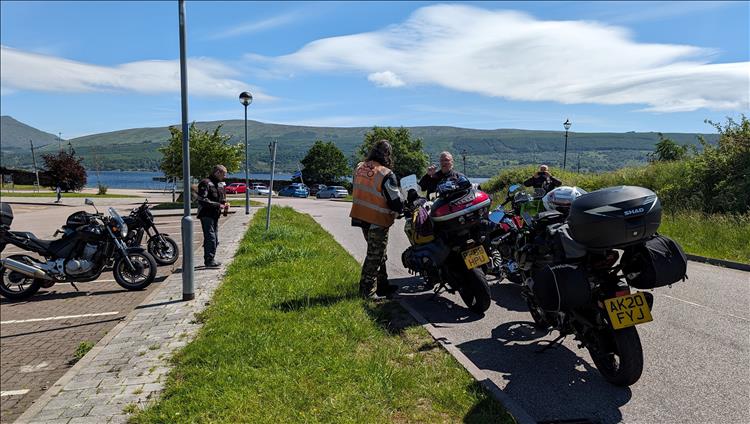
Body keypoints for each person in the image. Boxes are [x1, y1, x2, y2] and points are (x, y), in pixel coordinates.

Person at [350, 140, 404, 300]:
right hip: (377, 219)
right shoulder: (385, 173)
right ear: (387, 155)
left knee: (380, 253)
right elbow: (394, 200)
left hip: (361, 215)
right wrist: (402, 208)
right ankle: (366, 292)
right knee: (375, 255)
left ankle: (382, 285)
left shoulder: (360, 167)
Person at [196, 165, 230, 267]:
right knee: (211, 237)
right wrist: (218, 205)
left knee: (215, 238)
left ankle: (211, 258)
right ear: (217, 172)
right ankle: (209, 260)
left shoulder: (219, 184)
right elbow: (202, 199)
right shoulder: (205, 183)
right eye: (223, 174)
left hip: (215, 214)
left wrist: (225, 205)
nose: (224, 177)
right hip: (206, 214)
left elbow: (221, 199)